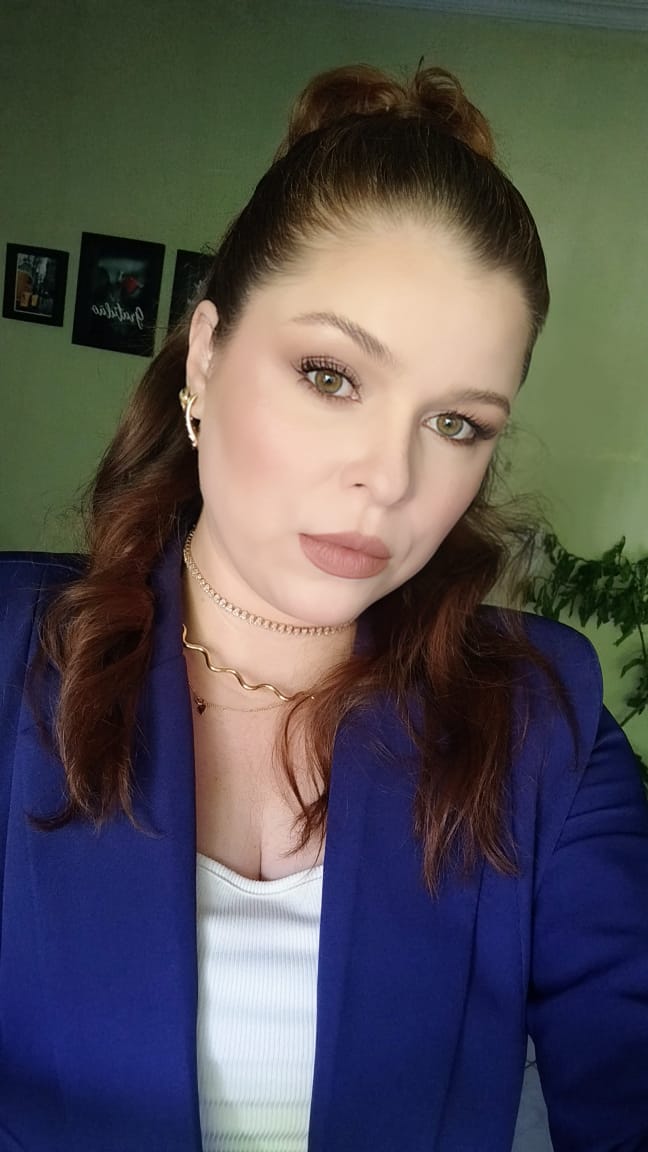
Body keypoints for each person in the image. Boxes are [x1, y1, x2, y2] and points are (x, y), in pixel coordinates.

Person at [1, 61, 647, 1152]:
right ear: (206, 355)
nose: (388, 479)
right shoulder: (15, 651)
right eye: (331, 375)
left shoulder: (545, 721)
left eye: (456, 424)